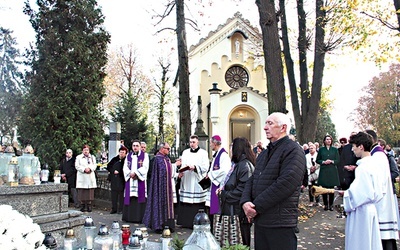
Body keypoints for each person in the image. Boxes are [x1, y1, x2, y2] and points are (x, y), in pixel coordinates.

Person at [240, 112, 306, 250]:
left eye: (270, 123)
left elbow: (286, 183)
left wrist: (256, 207)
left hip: (280, 223)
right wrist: (245, 202)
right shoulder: (264, 153)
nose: (265, 127)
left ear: (283, 128)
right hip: (262, 221)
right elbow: (253, 179)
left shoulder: (293, 150)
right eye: (265, 123)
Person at [338, 132, 383, 250]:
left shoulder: (363, 167)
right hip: (371, 209)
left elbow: (360, 193)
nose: (352, 150)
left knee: (360, 243)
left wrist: (346, 194)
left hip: (361, 211)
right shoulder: (374, 163)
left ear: (361, 147)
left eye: (353, 146)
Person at [216, 137, 255, 247]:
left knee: (240, 240)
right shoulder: (238, 165)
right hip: (232, 209)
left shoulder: (244, 166)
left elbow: (242, 190)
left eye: (232, 146)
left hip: (238, 212)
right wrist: (223, 189)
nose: (231, 149)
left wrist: (224, 194)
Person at [366, 129, 399, 249]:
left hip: (381, 202)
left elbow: (378, 182)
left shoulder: (378, 156)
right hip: (382, 199)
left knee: (384, 237)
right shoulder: (377, 154)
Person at [143, 142, 177, 233]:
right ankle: (159, 225)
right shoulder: (158, 159)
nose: (169, 150)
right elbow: (162, 172)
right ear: (162, 149)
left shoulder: (167, 158)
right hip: (160, 187)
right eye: (167, 148)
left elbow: (169, 171)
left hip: (167, 186)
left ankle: (169, 224)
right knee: (160, 204)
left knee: (169, 205)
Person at [177, 135, 209, 228]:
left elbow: (205, 167)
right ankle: (185, 222)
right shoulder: (185, 152)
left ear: (197, 142)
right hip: (187, 179)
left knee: (197, 203)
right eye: (190, 142)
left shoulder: (203, 153)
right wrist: (183, 169)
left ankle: (198, 222)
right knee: (186, 202)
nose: (192, 144)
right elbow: (182, 165)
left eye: (193, 142)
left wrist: (195, 167)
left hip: (196, 180)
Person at [206, 135, 231, 228]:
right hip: (215, 184)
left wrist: (210, 175)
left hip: (219, 185)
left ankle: (217, 229)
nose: (210, 145)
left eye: (211, 143)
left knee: (217, 210)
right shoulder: (217, 154)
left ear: (215, 143)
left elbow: (225, 171)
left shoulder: (223, 155)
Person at [122, 140, 149, 223]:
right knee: (130, 197)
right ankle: (129, 217)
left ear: (140, 147)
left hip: (139, 181)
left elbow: (145, 167)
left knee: (139, 198)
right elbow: (125, 167)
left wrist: (136, 174)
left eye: (137, 145)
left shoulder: (145, 155)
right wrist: (130, 174)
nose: (135, 147)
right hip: (130, 180)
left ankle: (140, 218)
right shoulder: (128, 156)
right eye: (134, 146)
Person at [316, 134, 340, 211]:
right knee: (324, 189)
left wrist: (332, 161)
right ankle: (326, 205)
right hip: (324, 170)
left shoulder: (335, 150)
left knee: (331, 189)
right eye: (327, 139)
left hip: (332, 170)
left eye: (329, 139)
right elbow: (317, 160)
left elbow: (338, 160)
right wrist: (323, 162)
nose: (328, 140)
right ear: (324, 141)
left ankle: (331, 204)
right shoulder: (321, 150)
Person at [75, 144, 97, 212]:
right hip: (82, 176)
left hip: (90, 176)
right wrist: (84, 169)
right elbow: (77, 166)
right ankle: (82, 205)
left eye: (87, 150)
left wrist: (90, 169)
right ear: (82, 151)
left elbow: (95, 165)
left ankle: (89, 205)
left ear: (89, 150)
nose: (86, 151)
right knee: (82, 192)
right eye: (84, 150)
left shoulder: (92, 157)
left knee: (89, 192)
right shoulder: (78, 157)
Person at [106, 146, 128, 214]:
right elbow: (108, 166)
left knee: (121, 195)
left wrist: (120, 172)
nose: (121, 154)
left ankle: (120, 209)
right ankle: (114, 208)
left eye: (123, 152)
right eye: (120, 152)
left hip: (122, 180)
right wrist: (113, 171)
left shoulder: (126, 160)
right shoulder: (115, 159)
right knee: (114, 195)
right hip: (114, 179)